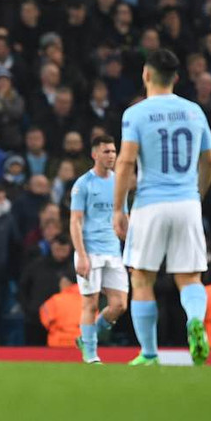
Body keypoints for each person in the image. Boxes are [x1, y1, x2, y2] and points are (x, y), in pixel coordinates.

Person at [113, 49, 211, 366]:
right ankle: (195, 320)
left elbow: (126, 161)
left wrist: (118, 208)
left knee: (142, 279)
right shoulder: (194, 111)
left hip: (150, 205)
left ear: (146, 74)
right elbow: (210, 161)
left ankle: (149, 354)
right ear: (176, 78)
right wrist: (197, 195)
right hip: (187, 203)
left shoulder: (136, 114)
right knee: (190, 278)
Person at [70, 135, 128, 364]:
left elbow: (123, 217)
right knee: (91, 304)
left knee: (119, 305)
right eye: (106, 151)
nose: (111, 155)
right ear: (95, 154)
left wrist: (132, 246)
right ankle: (91, 354)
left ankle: (86, 338)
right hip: (90, 251)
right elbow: (75, 221)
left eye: (113, 151)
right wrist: (82, 256)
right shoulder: (83, 184)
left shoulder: (119, 182)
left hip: (113, 251)